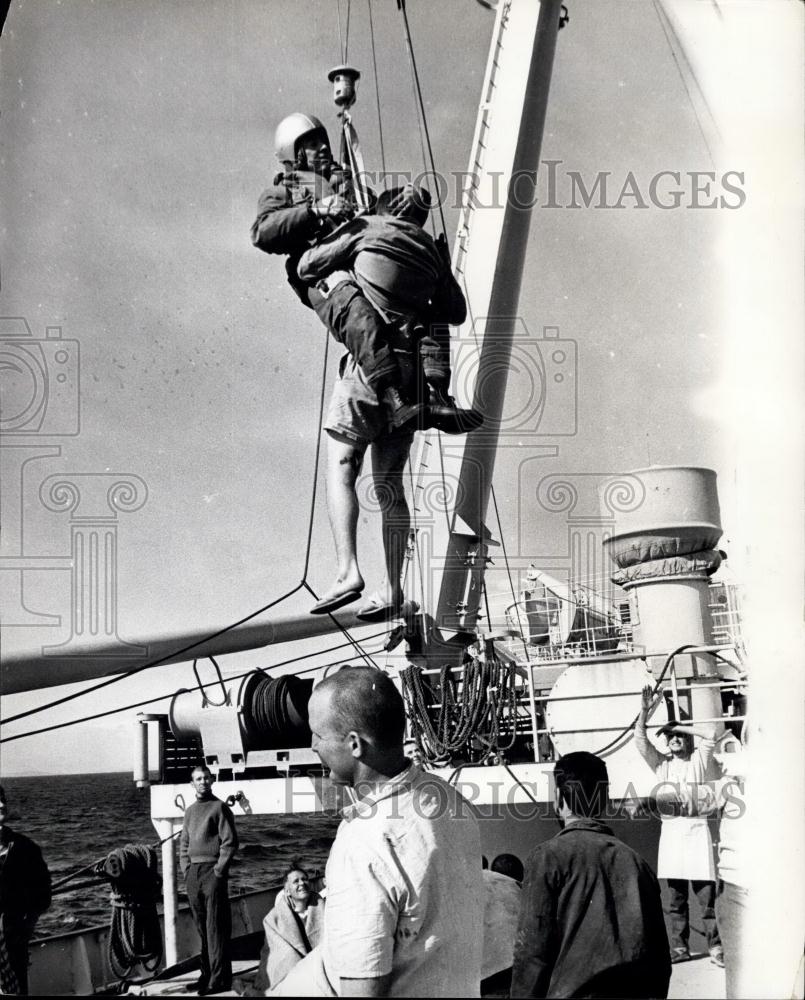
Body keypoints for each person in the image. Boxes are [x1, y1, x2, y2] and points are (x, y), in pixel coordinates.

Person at [251, 114, 478, 619]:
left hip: (368, 337)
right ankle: (426, 396)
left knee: (348, 465)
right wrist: (316, 210)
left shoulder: (348, 182)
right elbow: (264, 232)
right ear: (291, 153)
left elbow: (378, 227)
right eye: (308, 145)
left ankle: (363, 575)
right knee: (387, 477)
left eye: (322, 141)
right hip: (340, 281)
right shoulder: (286, 191)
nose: (320, 149)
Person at [295, 665, 484, 996]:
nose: (313, 745)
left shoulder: (364, 841)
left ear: (355, 744)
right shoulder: (450, 800)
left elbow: (363, 987)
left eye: (319, 735)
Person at [510, 751, 671, 999]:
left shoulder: (546, 858)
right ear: (605, 799)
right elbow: (660, 961)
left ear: (559, 799)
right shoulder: (638, 863)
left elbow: (532, 952)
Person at [635, 685, 724, 966]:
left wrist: (683, 727)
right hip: (672, 833)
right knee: (675, 900)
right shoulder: (662, 766)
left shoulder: (698, 760)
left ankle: (716, 948)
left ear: (686, 741)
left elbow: (711, 734)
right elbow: (640, 741)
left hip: (697, 831)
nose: (674, 739)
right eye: (671, 737)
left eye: (679, 737)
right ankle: (680, 948)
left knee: (706, 899)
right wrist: (644, 710)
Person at [179, 765, 239, 995]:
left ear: (212, 780)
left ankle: (219, 979)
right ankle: (206, 975)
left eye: (206, 778)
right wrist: (186, 870)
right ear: (192, 783)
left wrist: (219, 871)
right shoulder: (190, 811)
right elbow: (184, 843)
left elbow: (230, 841)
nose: (203, 781)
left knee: (215, 927)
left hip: (212, 872)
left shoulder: (219, 807)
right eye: (198, 779)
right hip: (193, 873)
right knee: (202, 928)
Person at [0, 785, 51, 996]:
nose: (2, 804)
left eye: (2, 798)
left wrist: (26, 926)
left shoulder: (25, 848)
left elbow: (43, 894)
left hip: (12, 942)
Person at [257, 865, 325, 992]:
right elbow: (278, 951)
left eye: (304, 879)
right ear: (287, 891)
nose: (302, 883)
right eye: (296, 881)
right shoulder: (274, 918)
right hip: (293, 970)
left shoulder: (323, 908)